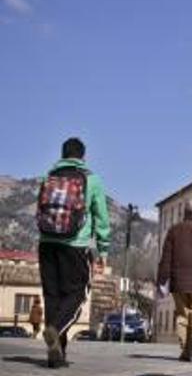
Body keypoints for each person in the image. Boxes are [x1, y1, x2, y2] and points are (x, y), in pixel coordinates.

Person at [37, 137, 110, 368]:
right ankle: (55, 330)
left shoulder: (48, 177)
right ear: (83, 157)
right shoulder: (91, 179)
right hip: (75, 245)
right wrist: (103, 248)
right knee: (77, 294)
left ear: (63, 155)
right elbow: (101, 218)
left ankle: (56, 355)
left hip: (47, 243)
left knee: (52, 296)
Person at [157, 199, 192, 362]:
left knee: (183, 315)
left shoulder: (174, 231)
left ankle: (186, 351)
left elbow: (166, 257)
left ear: (184, 213)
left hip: (179, 282)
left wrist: (162, 280)